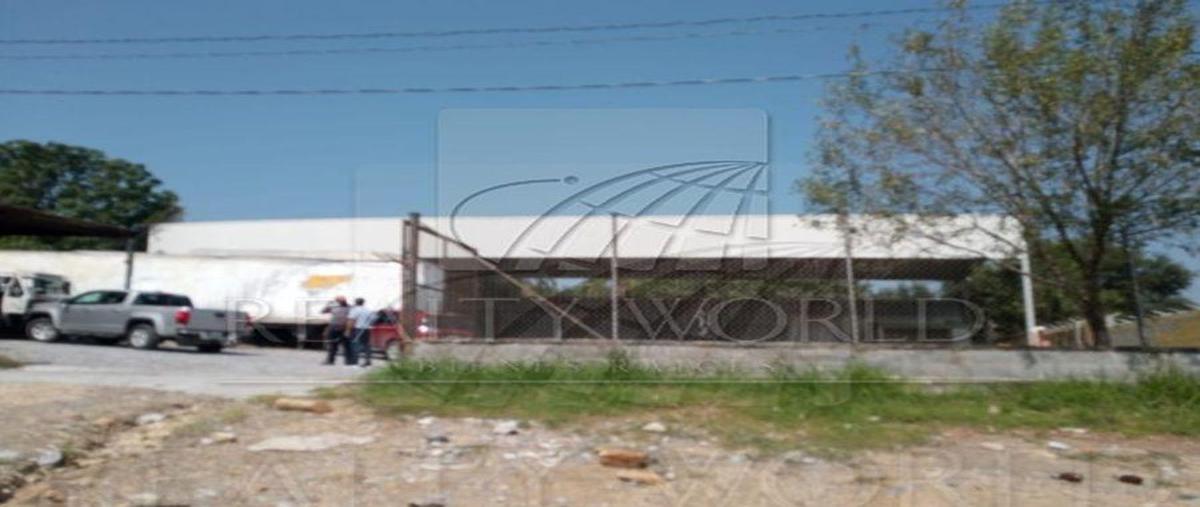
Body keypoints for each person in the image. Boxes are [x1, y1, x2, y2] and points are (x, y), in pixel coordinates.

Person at [320, 296, 351, 366]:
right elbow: (323, 311)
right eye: (338, 301)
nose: (340, 302)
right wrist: (328, 304)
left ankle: (349, 361)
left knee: (346, 345)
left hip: (344, 328)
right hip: (333, 327)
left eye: (341, 300)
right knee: (332, 345)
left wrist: (348, 330)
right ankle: (330, 361)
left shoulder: (350, 307)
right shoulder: (333, 307)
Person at [346, 297, 375, 368]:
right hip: (367, 329)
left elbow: (351, 320)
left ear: (356, 303)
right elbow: (373, 320)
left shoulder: (355, 310)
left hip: (358, 329)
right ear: (363, 303)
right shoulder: (368, 310)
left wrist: (348, 330)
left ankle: (355, 362)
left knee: (355, 345)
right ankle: (368, 361)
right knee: (367, 345)